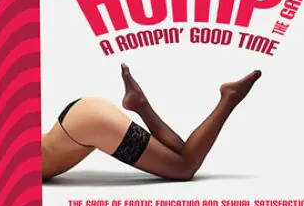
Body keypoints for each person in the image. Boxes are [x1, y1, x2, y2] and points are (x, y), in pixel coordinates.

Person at [42, 64, 262, 181]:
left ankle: (229, 98)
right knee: (180, 155)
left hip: (87, 126)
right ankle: (139, 104)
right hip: (83, 119)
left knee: (184, 168)